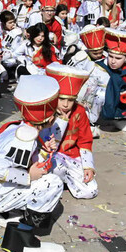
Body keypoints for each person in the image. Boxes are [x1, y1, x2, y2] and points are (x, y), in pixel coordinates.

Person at [0, 75, 65, 252]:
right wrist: (27, 177)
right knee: (53, 183)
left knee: (47, 176)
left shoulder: (19, 127)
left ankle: (10, 212)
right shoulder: (25, 138)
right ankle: (21, 240)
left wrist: (43, 153)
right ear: (49, 118)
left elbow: (24, 161)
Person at [44, 63, 98, 199]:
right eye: (61, 99)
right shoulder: (46, 111)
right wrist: (62, 121)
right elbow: (48, 143)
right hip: (51, 157)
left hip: (73, 156)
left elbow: (85, 140)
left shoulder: (79, 111)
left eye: (71, 100)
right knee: (54, 171)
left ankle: (66, 181)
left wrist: (88, 166)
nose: (66, 104)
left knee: (90, 191)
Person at [97, 28, 126, 132]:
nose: (113, 61)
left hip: (122, 101)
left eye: (118, 58)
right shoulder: (99, 66)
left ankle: (121, 119)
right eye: (111, 56)